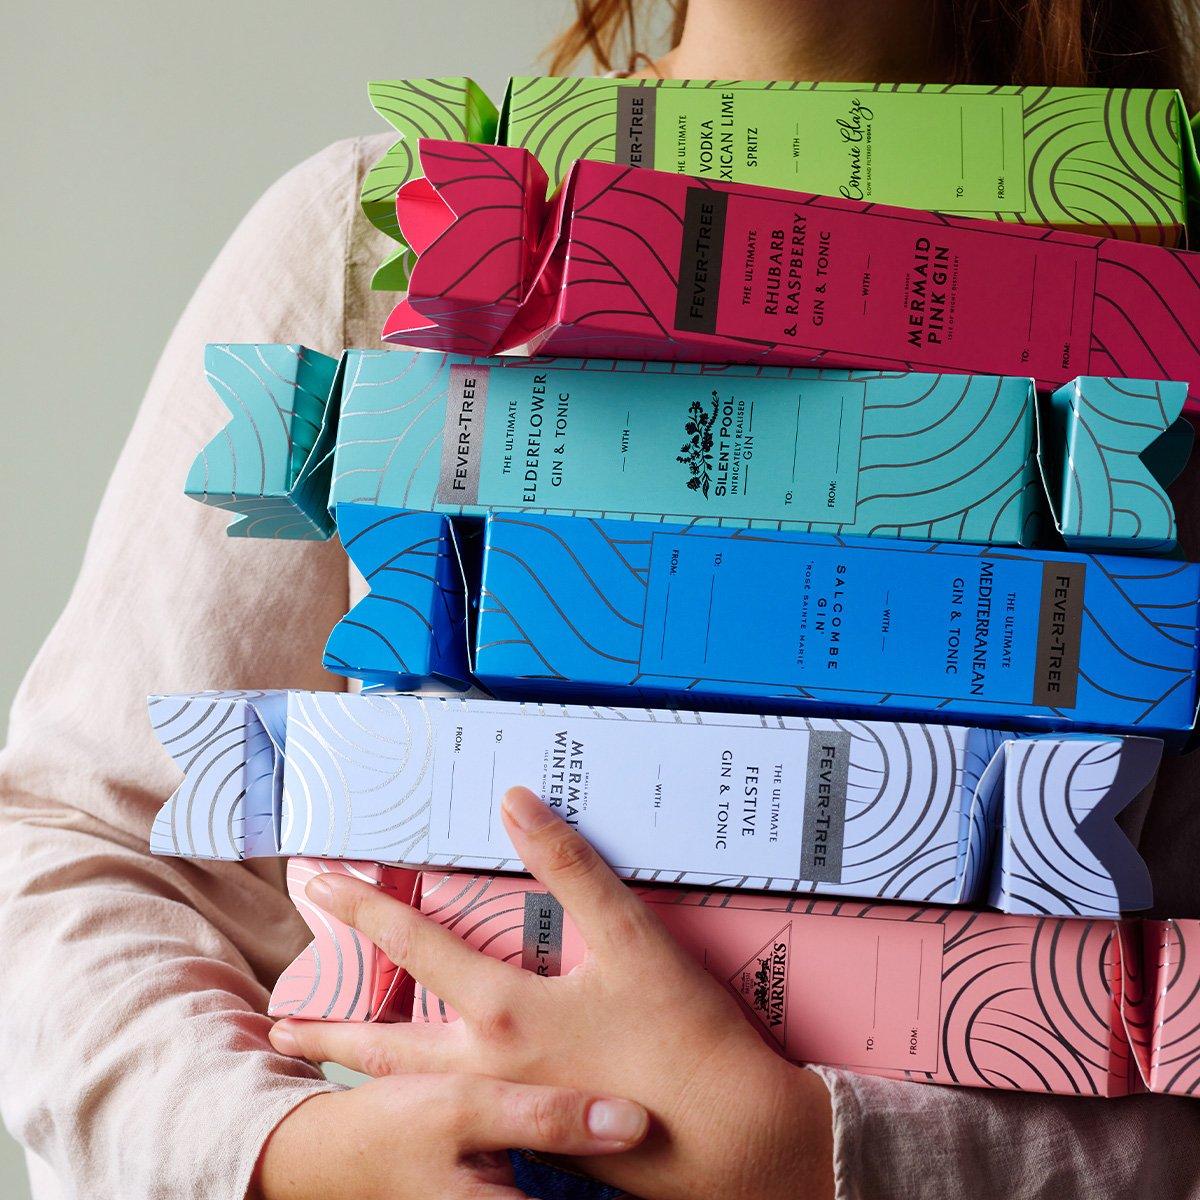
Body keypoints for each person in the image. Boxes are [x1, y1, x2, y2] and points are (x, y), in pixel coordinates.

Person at [1, 0, 1199, 1197]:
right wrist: (290, 1158)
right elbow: (78, 841)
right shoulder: (388, 228)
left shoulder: (1159, 299)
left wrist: (811, 1161)